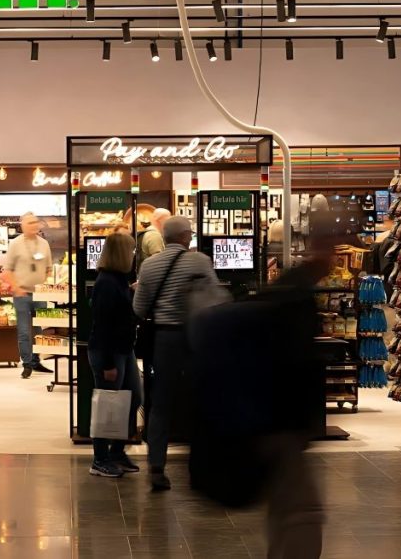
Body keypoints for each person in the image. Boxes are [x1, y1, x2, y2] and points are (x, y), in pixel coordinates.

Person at [189, 245, 327, 559]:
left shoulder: (263, 310)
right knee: (301, 513)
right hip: (276, 429)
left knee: (291, 511)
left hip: (260, 426)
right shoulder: (290, 311)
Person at [133, 216, 229, 491]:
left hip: (164, 339)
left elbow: (139, 309)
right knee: (202, 400)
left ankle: (156, 467)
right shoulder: (199, 261)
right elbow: (216, 300)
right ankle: (202, 464)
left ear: (163, 237)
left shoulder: (150, 266)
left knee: (161, 404)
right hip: (197, 338)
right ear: (187, 236)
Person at [87, 232, 142, 479]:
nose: (134, 255)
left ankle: (117, 450)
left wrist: (130, 291)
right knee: (108, 404)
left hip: (123, 348)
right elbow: (104, 324)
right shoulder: (107, 282)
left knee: (133, 397)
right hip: (109, 351)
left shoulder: (118, 280)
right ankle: (100, 458)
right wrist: (109, 363)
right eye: (131, 251)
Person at [1, 212, 53, 379]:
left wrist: (45, 285)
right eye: (30, 223)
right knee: (24, 331)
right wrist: (16, 288)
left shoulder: (44, 244)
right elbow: (7, 270)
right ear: (22, 225)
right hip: (22, 294)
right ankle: (27, 363)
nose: (34, 225)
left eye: (35, 222)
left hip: (40, 294)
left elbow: (49, 269)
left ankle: (37, 360)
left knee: (39, 330)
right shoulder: (15, 244)